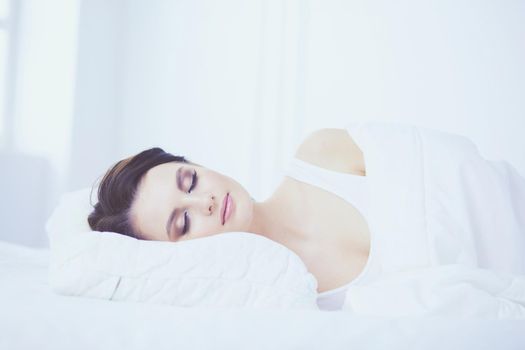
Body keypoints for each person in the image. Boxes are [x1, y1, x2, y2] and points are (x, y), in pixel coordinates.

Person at [88, 128, 370, 307]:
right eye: (183, 222)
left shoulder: (323, 155)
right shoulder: (287, 306)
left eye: (190, 181)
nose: (204, 202)